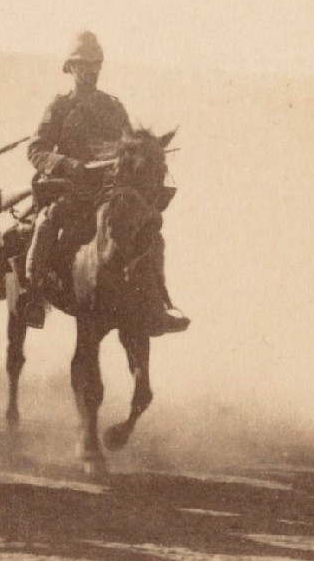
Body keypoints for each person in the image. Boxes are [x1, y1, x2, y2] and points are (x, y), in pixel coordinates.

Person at [19, 30, 188, 334]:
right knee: (46, 223)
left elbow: (129, 149)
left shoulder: (114, 107)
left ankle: (158, 304)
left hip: (108, 192)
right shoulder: (60, 107)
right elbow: (36, 149)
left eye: (95, 64)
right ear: (71, 68)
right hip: (71, 189)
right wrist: (68, 164)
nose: (91, 70)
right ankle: (33, 296)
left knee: (151, 232)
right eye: (84, 64)